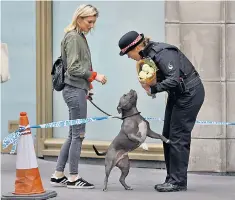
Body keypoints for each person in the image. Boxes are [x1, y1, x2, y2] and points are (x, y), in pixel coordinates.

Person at [118, 31, 205, 192]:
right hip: (177, 95)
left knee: (178, 136)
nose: (128, 57)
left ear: (136, 47)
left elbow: (173, 78)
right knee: (167, 135)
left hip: (189, 94)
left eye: (127, 53)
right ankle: (171, 178)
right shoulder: (149, 55)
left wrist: (153, 88)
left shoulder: (162, 53)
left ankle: (178, 182)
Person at [50, 4, 107, 189]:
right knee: (78, 135)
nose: (91, 26)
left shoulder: (77, 36)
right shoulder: (74, 37)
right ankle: (73, 178)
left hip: (76, 89)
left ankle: (59, 174)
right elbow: (74, 68)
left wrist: (87, 87)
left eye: (93, 22)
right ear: (79, 19)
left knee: (72, 134)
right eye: (89, 22)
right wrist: (94, 76)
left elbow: (75, 66)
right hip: (74, 90)